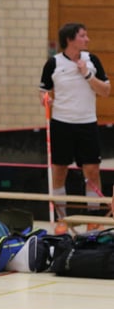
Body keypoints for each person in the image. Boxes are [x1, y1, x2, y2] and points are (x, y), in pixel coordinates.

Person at [40, 22, 111, 232]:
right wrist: (45, 99)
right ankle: (62, 219)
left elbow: (106, 91)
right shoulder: (53, 63)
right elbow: (43, 91)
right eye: (83, 36)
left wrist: (87, 75)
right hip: (61, 124)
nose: (87, 39)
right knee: (59, 171)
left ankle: (93, 218)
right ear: (70, 40)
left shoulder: (92, 60)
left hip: (87, 123)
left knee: (92, 171)